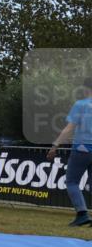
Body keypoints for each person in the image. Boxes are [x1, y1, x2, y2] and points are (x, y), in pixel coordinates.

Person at [47, 77, 92, 227]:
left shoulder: (81, 105)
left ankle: (82, 214)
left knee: (72, 181)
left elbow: (69, 128)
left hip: (82, 148)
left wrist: (55, 145)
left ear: (85, 89)